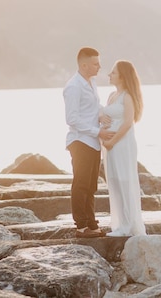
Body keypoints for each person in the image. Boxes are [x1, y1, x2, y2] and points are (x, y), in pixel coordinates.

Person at [63, 47, 114, 238]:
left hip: (93, 141)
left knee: (91, 185)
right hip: (80, 141)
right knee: (81, 184)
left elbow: (92, 107)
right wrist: (97, 130)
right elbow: (72, 119)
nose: (99, 66)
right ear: (84, 65)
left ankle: (92, 223)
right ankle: (81, 226)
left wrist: (103, 114)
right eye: (95, 63)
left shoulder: (91, 82)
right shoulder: (73, 87)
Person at [102, 60, 147, 237]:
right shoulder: (112, 96)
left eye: (113, 72)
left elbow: (128, 122)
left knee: (124, 180)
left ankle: (129, 225)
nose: (109, 75)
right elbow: (105, 117)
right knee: (113, 181)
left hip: (122, 144)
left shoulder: (127, 96)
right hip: (109, 146)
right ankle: (120, 223)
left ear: (122, 76)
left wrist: (113, 142)